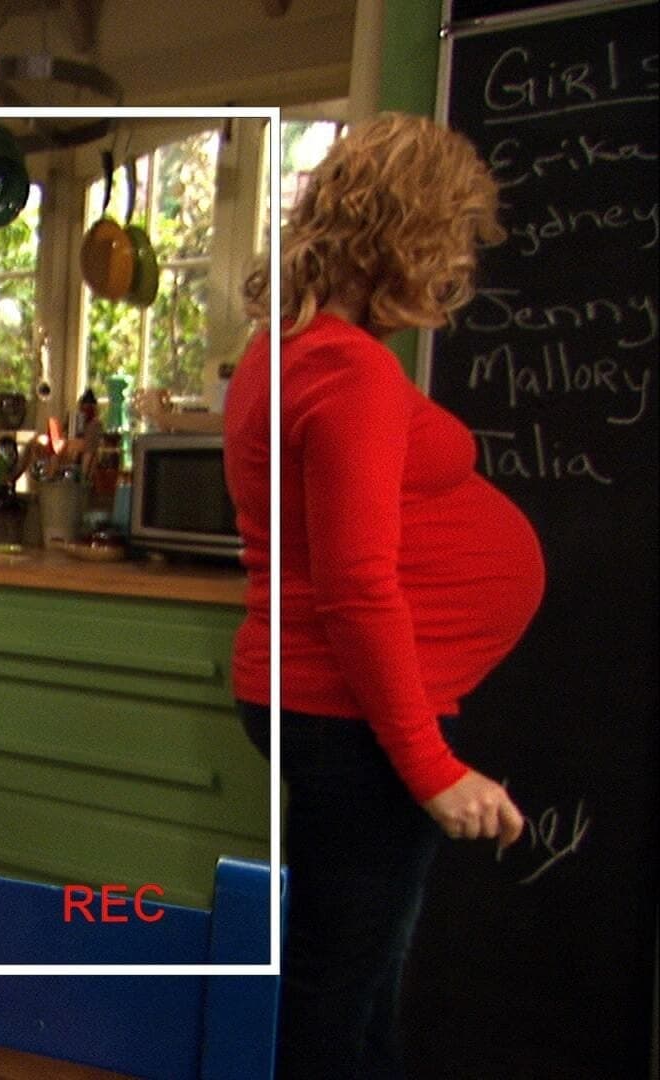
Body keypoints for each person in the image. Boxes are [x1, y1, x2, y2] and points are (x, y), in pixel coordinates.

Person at [223, 112, 539, 1079]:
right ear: (406, 233)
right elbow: (357, 587)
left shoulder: (284, 350)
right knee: (338, 990)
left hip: (324, 702)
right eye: (451, 240)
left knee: (356, 978)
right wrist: (432, 768)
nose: (456, 269)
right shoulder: (347, 368)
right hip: (351, 712)